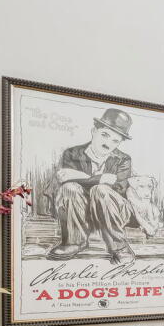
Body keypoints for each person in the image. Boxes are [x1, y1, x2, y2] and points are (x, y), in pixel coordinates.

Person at [48, 108, 137, 264]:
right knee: (70, 188)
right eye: (104, 135)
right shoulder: (73, 153)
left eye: (115, 141)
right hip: (79, 211)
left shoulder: (123, 159)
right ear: (94, 131)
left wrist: (83, 178)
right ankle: (74, 242)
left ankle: (119, 247)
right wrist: (100, 178)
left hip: (114, 211)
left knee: (101, 190)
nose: (108, 143)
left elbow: (119, 189)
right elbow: (65, 179)